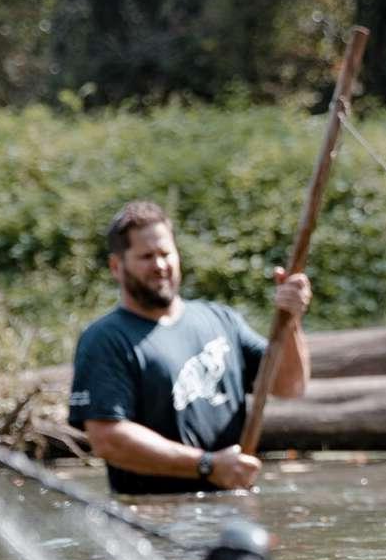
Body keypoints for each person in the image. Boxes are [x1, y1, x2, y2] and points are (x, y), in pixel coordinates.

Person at [68, 200, 312, 494]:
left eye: (165, 253)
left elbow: (289, 386)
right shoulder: (106, 339)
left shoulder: (221, 320)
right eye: (146, 257)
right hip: (153, 519)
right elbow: (107, 438)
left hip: (232, 505)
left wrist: (290, 321)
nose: (160, 266)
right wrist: (206, 465)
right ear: (117, 266)